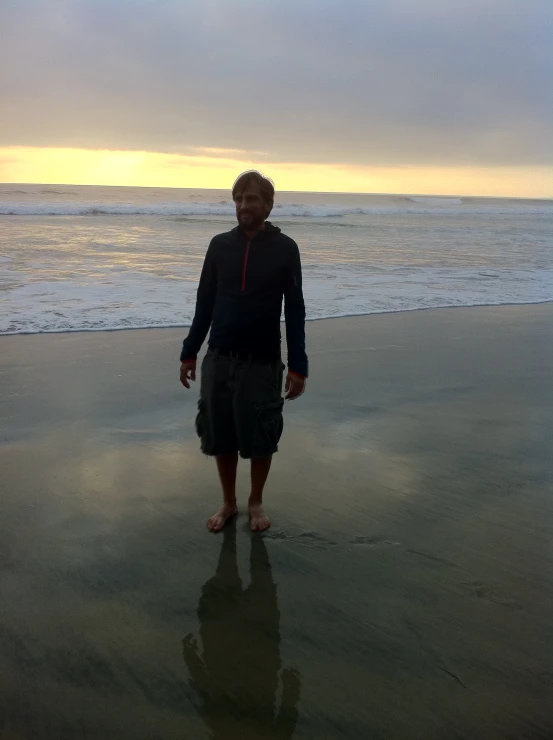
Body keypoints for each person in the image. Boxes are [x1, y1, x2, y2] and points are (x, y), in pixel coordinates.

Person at [179, 170, 308, 533]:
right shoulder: (219, 245)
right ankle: (228, 502)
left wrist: (299, 365)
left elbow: (295, 309)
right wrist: (189, 352)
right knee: (219, 433)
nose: (244, 205)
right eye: (238, 198)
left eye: (251, 199)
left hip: (263, 359)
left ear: (268, 204)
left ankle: (255, 501)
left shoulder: (286, 249)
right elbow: (204, 303)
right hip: (219, 355)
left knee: (261, 433)